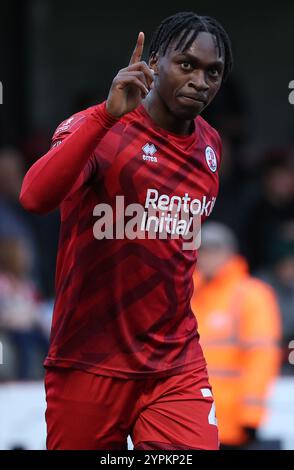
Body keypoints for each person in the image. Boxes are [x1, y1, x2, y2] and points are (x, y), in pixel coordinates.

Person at [20, 12, 233, 450]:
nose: (200, 81)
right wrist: (103, 116)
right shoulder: (102, 127)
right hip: (89, 361)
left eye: (213, 72)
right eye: (187, 64)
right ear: (154, 62)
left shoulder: (210, 144)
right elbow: (34, 198)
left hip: (175, 364)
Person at [191, 222, 281, 449]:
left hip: (232, 423)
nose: (207, 257)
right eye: (202, 250)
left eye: (214, 250)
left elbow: (262, 358)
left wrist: (251, 416)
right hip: (192, 419)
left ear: (230, 253)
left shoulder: (251, 295)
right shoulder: (189, 294)